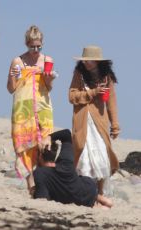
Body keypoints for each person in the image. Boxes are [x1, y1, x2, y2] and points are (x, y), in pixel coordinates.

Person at [7, 25, 55, 193]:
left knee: (45, 144)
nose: (35, 50)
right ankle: (31, 185)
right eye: (32, 46)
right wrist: (14, 75)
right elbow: (11, 88)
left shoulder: (47, 60)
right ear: (26, 43)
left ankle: (46, 183)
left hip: (43, 107)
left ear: (42, 43)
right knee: (24, 145)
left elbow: (48, 88)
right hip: (23, 109)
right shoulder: (18, 61)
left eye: (38, 46)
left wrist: (49, 78)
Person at [69, 45, 120, 195]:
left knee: (102, 158)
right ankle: (85, 192)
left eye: (89, 60)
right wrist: (93, 92)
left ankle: (99, 193)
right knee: (83, 158)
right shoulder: (79, 74)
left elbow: (111, 102)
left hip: (100, 123)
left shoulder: (106, 77)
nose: (85, 63)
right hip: (82, 121)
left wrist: (115, 124)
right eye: (84, 60)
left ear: (97, 61)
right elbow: (72, 96)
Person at [33, 129, 113, 208]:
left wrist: (34, 190)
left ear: (40, 156)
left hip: (72, 199)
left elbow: (42, 199)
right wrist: (49, 137)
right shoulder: (65, 161)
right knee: (83, 184)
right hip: (84, 191)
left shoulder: (40, 174)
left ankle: (100, 206)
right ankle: (104, 200)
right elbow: (67, 134)